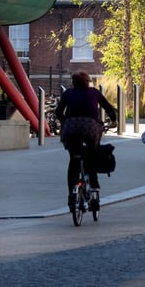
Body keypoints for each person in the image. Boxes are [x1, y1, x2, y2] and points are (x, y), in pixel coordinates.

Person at [55, 71, 117, 212]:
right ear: (87, 81)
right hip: (90, 127)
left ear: (73, 82)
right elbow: (108, 107)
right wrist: (114, 120)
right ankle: (94, 184)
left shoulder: (68, 93)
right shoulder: (94, 92)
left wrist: (66, 121)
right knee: (92, 154)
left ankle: (72, 194)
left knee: (74, 159)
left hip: (71, 128)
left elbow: (59, 112)